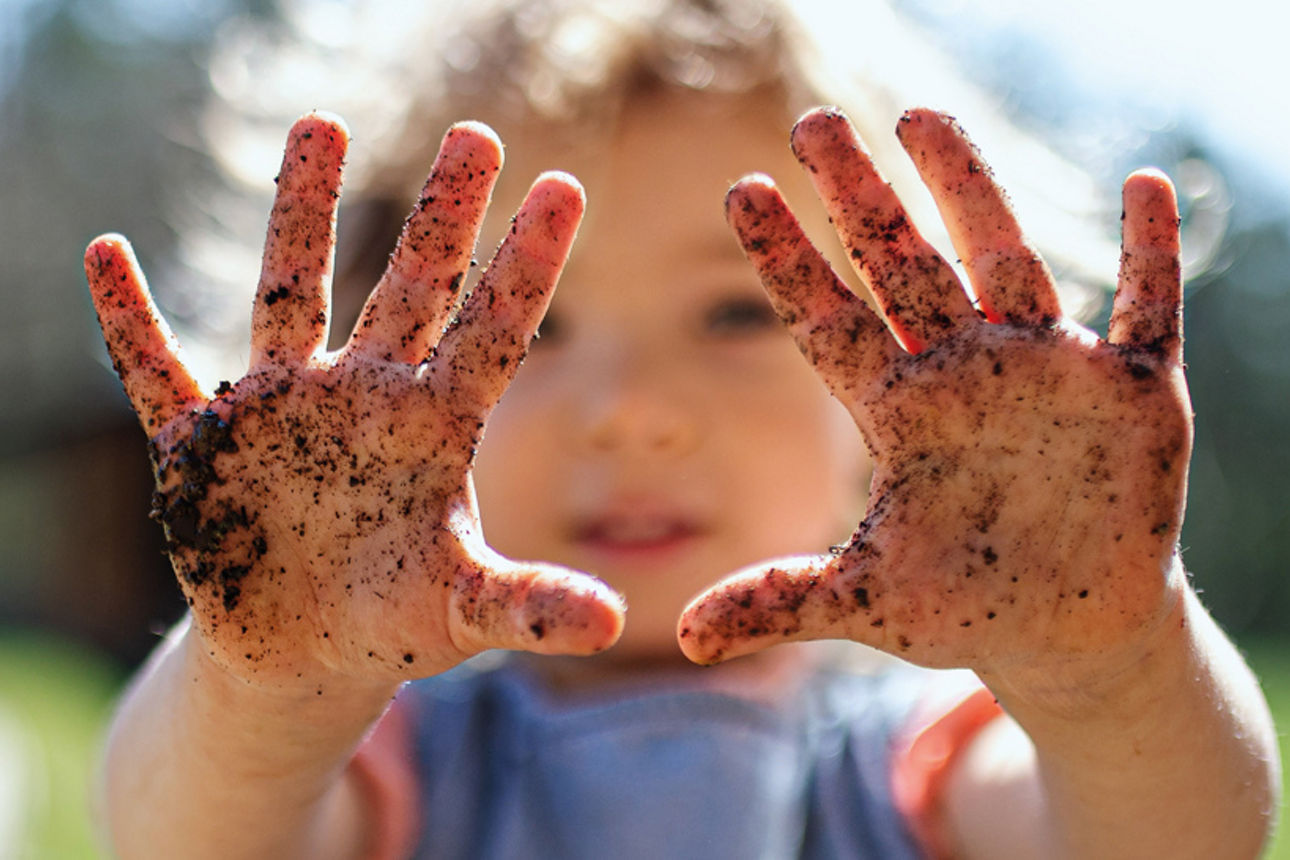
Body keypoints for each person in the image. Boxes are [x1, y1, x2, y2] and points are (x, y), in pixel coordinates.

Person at [85, 1, 1279, 857]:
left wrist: (1108, 670)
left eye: (734, 310)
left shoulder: (911, 769)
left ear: (903, 395)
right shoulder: (402, 761)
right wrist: (272, 689)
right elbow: (176, 829)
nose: (633, 413)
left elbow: (1180, 832)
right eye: (530, 329)